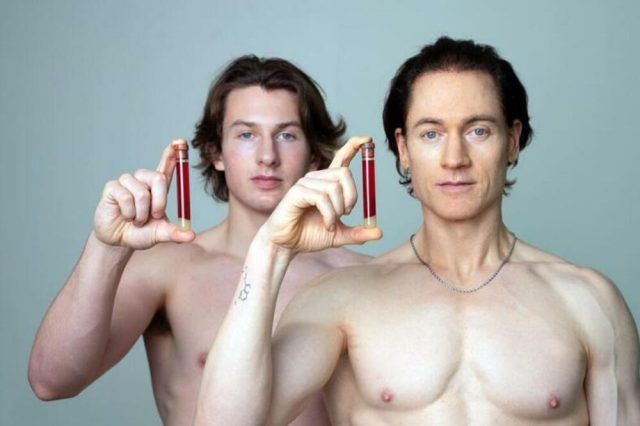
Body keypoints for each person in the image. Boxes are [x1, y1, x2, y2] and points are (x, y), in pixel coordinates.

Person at [195, 38, 640, 425]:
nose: (454, 158)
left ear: (513, 140)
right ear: (403, 149)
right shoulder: (340, 299)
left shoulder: (589, 302)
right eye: (430, 134)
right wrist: (269, 251)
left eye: (478, 130)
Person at [28, 55, 370, 425]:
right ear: (215, 152)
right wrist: (106, 247)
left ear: (315, 155)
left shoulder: (354, 278)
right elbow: (51, 382)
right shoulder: (169, 269)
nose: (267, 156)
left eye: (286, 135)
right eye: (246, 135)